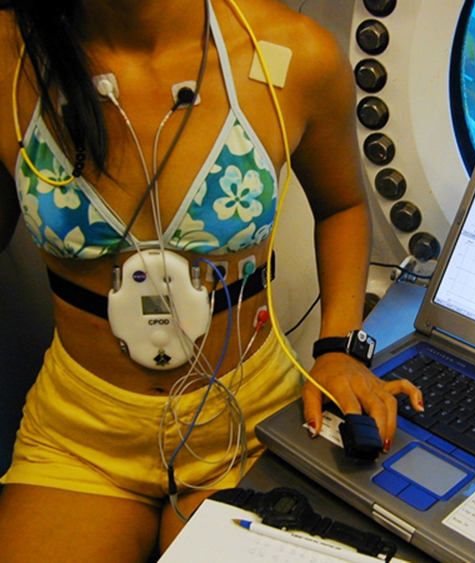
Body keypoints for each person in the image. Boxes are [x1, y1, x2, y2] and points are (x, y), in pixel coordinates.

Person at [0, 0, 423, 561]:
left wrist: (340, 348)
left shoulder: (296, 55)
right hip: (81, 437)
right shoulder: (12, 56)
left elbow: (343, 205)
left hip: (247, 427)